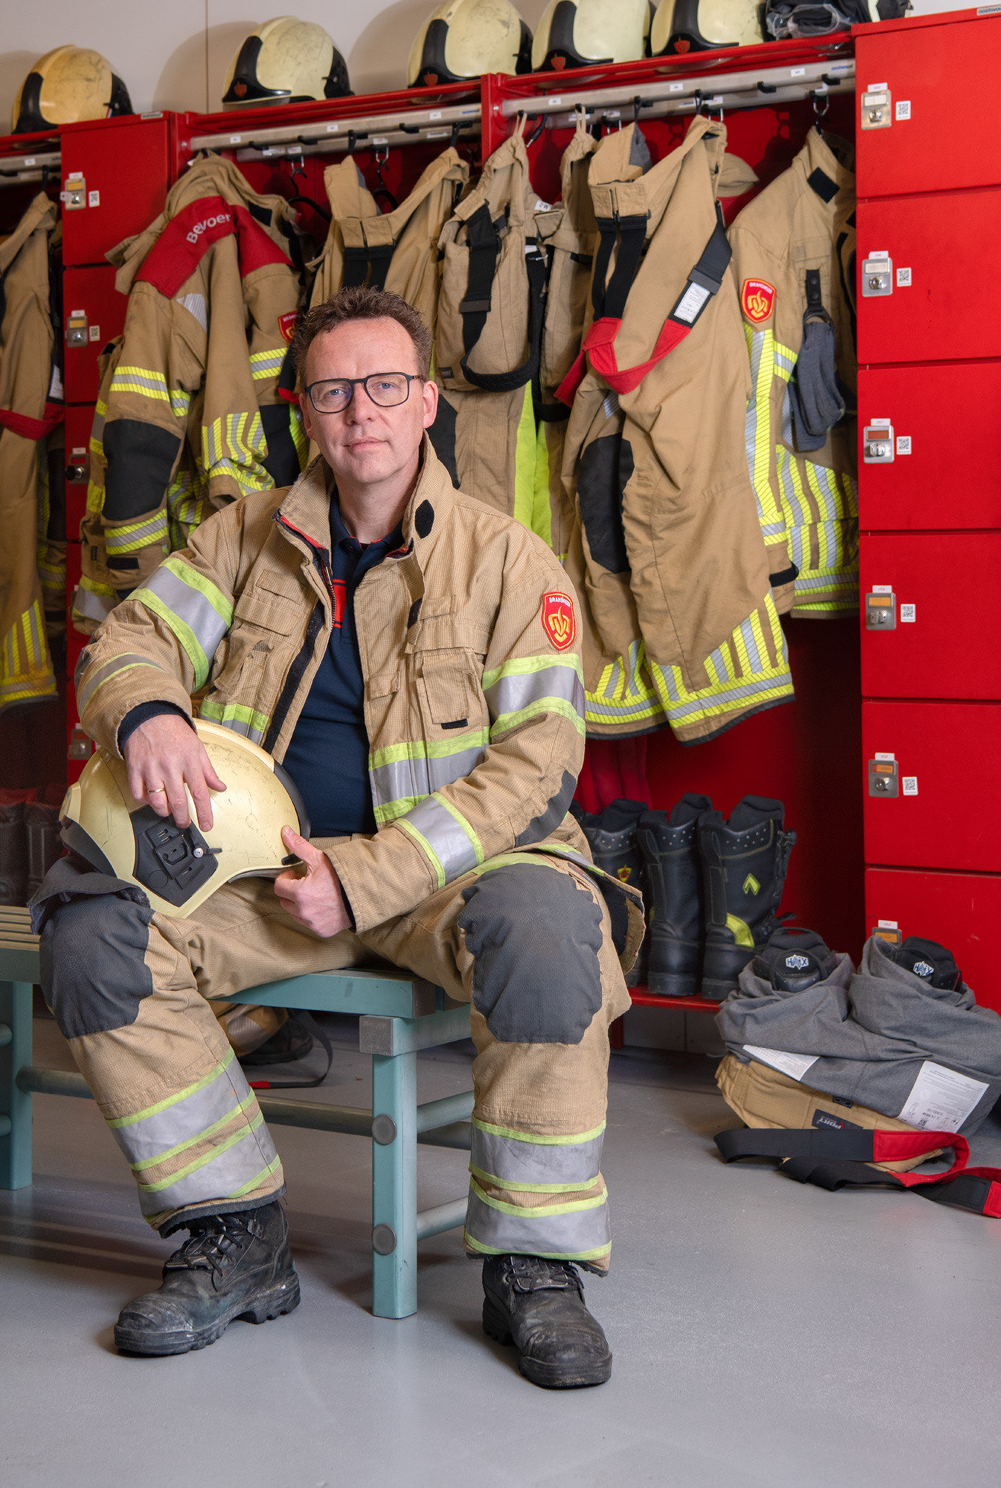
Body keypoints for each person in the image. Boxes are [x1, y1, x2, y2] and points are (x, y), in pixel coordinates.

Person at [35, 286, 639, 1389]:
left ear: (427, 402)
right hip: (262, 881)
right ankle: (230, 1228)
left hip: (448, 879)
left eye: (385, 385)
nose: (361, 410)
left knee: (552, 929)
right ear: (305, 410)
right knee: (90, 931)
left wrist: (369, 876)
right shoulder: (240, 537)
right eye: (333, 391)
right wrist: (147, 709)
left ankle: (536, 1267)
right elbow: (132, 635)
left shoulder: (508, 562)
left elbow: (539, 764)